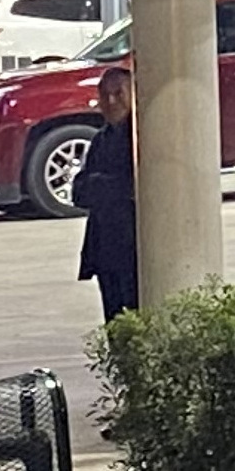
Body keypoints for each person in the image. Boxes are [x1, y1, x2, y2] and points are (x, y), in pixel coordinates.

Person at [73, 64, 140, 324]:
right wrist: (107, 186)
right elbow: (78, 192)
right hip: (105, 248)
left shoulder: (142, 136)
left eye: (119, 94)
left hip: (133, 246)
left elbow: (133, 186)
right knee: (114, 322)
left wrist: (100, 185)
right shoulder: (101, 139)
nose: (111, 102)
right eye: (105, 95)